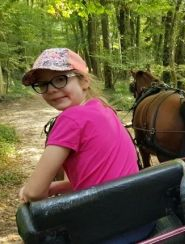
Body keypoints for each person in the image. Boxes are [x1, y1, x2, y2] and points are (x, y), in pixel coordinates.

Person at [18, 48, 153, 242]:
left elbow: (34, 192)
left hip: (105, 230)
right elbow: (97, 177)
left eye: (60, 79)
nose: (51, 89)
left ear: (84, 81)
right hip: (138, 220)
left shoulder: (70, 119)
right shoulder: (104, 109)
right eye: (43, 84)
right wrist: (55, 187)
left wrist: (27, 191)